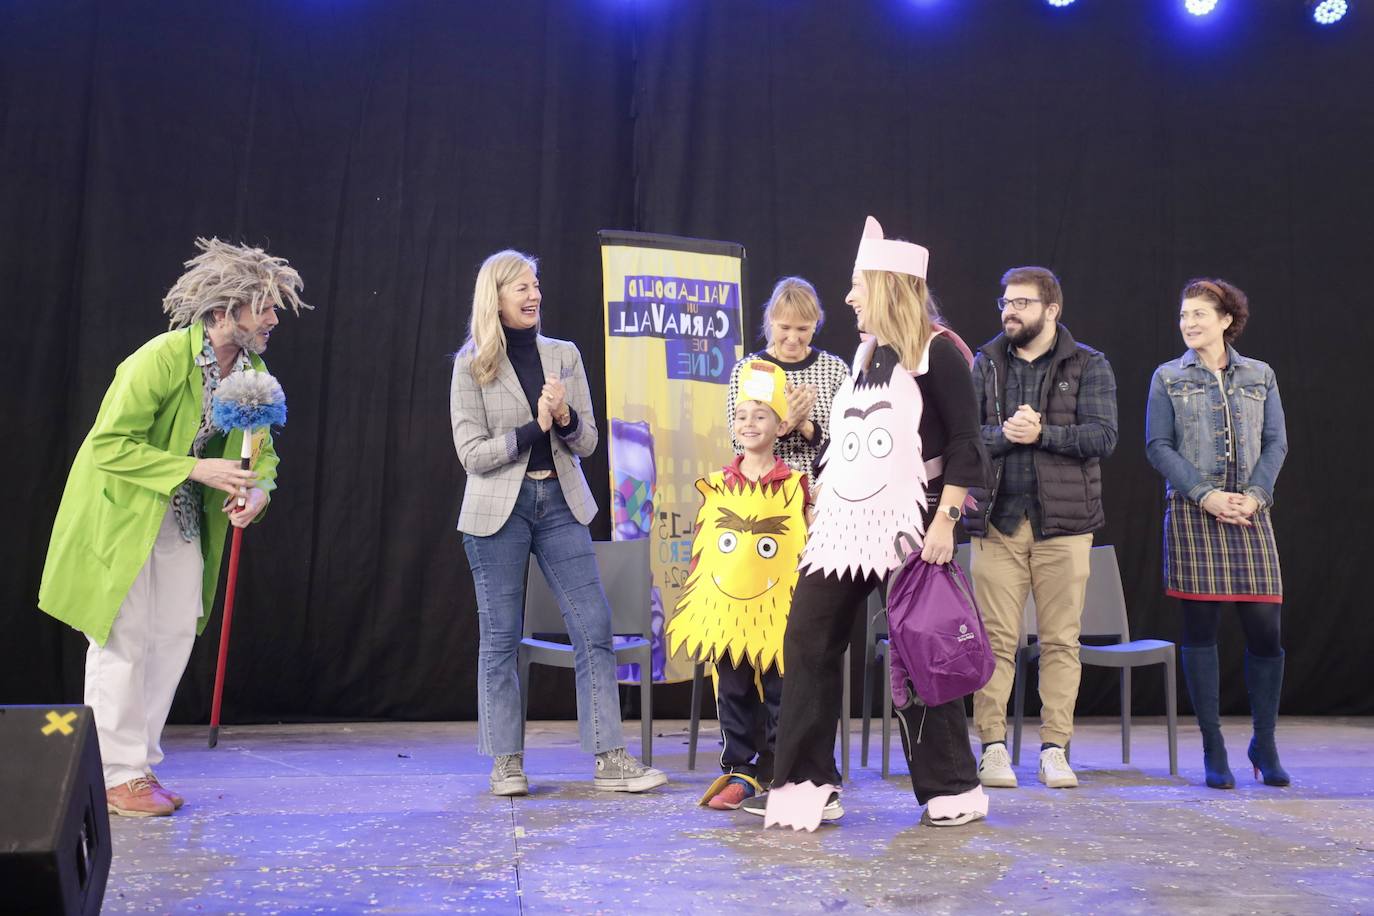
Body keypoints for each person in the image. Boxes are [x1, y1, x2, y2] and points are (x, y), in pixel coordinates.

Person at [39, 238, 311, 817]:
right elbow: (109, 444)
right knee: (123, 636)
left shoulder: (254, 371)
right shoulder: (160, 358)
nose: (271, 319)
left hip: (183, 519)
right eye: (261, 307)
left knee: (172, 634)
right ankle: (116, 773)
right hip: (124, 515)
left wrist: (256, 492)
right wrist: (194, 466)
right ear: (221, 314)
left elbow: (260, 455)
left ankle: (139, 767)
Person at [743, 217, 991, 829]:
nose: (849, 297)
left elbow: (965, 444)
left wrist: (946, 523)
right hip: (845, 528)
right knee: (808, 638)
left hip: (912, 526)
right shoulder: (865, 353)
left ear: (888, 286)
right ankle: (806, 780)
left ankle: (952, 786)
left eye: (858, 285)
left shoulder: (940, 352)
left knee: (920, 648)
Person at [450, 249, 667, 797]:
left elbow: (588, 441)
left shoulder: (563, 356)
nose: (533, 295)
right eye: (520, 287)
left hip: (559, 504)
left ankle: (610, 759)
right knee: (499, 636)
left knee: (593, 625)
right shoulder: (471, 364)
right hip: (498, 508)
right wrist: (534, 427)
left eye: (536, 285)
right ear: (495, 299)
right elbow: (472, 454)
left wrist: (565, 418)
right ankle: (506, 764)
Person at [966, 267, 1119, 791]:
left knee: (1060, 641)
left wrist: (1043, 433)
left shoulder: (1089, 364)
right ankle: (991, 748)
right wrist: (1006, 434)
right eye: (1005, 302)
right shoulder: (984, 363)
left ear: (1052, 310)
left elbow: (1103, 437)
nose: (1010, 311)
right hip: (998, 522)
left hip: (1065, 526)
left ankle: (1055, 748)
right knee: (994, 641)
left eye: (1022, 303)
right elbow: (966, 438)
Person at [1146, 278, 1289, 789]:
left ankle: (1264, 742)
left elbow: (1276, 443)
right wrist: (1204, 494)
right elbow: (1158, 446)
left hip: (1250, 511)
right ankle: (1213, 746)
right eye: (1184, 315)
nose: (1189, 323)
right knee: (1200, 630)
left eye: (1199, 314)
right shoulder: (1168, 377)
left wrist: (1255, 495)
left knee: (1265, 633)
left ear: (1226, 320)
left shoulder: (1260, 375)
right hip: (1193, 511)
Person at [666, 360, 809, 810]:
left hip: (776, 615)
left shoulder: (797, 488)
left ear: (781, 424)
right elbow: (703, 551)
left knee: (782, 692)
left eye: (761, 415)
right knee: (732, 690)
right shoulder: (716, 486)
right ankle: (742, 771)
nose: (750, 423)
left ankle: (784, 770)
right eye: (742, 415)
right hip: (727, 615)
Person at [725, 277, 850, 490]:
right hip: (764, 493)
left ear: (815, 324)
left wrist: (805, 426)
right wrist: (786, 423)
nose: (792, 338)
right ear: (771, 320)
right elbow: (740, 444)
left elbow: (848, 443)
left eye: (802, 329)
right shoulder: (748, 370)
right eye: (785, 327)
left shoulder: (835, 370)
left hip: (822, 495)